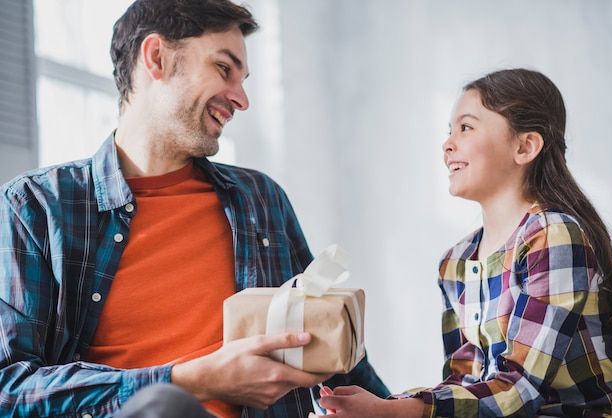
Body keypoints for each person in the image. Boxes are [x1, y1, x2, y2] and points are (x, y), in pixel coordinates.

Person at [0, 1, 389, 417]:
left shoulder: (260, 199)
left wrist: (399, 409)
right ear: (157, 58)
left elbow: (338, 353)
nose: (241, 99)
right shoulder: (37, 207)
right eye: (224, 69)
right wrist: (188, 379)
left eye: (243, 79)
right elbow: (10, 389)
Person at [310, 68, 612, 417]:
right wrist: (382, 407)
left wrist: (393, 413)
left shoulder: (554, 237)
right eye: (449, 131)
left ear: (525, 147)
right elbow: (465, 383)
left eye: (466, 127)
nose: (447, 145)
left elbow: (520, 389)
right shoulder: (456, 262)